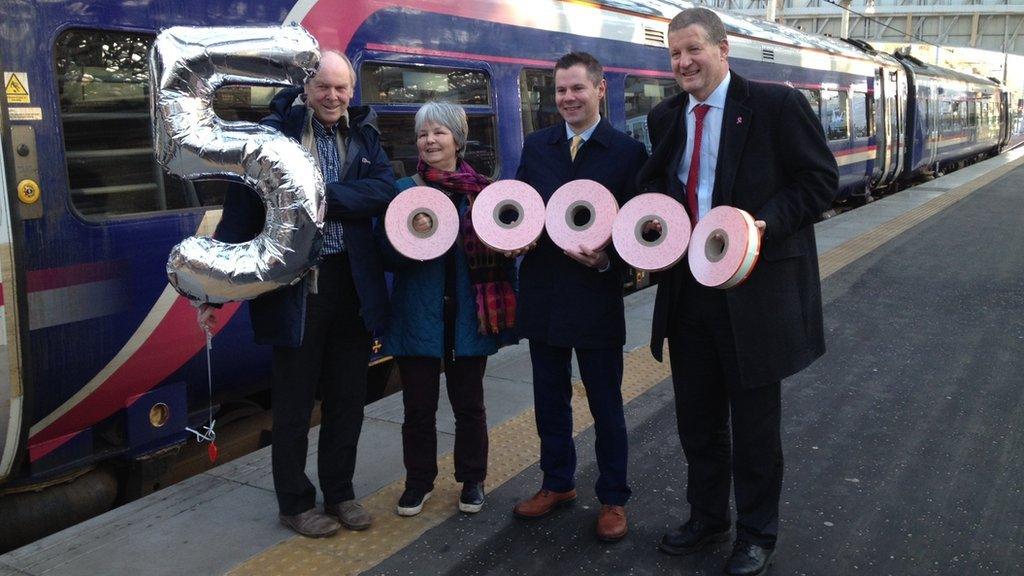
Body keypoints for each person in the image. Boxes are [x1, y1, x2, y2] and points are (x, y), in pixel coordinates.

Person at [636, 7, 838, 575]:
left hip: (753, 289)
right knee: (697, 422)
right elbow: (659, 183)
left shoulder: (774, 105)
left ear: (724, 49)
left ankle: (755, 532)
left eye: (693, 49)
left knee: (754, 427)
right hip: (688, 293)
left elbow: (819, 179)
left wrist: (764, 225)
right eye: (674, 53)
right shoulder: (665, 116)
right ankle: (707, 519)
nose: (683, 62)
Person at [206, 50, 396, 538]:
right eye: (323, 87)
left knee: (347, 398)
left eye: (341, 88)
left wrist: (321, 199)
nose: (333, 97)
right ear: (306, 88)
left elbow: (384, 191)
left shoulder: (365, 135)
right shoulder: (271, 139)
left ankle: (340, 494)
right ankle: (294, 503)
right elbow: (241, 216)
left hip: (351, 284)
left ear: (352, 91)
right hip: (296, 290)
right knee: (292, 403)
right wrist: (213, 289)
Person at [512, 52, 648, 542]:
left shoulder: (627, 153)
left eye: (577, 89)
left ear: (600, 89)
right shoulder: (537, 146)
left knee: (606, 403)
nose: (567, 98)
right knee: (549, 399)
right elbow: (523, 208)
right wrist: (517, 238)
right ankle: (557, 483)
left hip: (595, 294)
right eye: (560, 91)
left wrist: (611, 261)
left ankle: (613, 498)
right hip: (545, 293)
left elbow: (640, 232)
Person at [378, 101, 517, 517]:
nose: (429, 140)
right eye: (423, 134)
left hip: (469, 315)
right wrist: (412, 241)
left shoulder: (486, 193)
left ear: (458, 138)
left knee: (469, 405)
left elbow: (507, 248)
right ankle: (418, 482)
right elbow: (385, 255)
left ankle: (472, 479)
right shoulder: (404, 193)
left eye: (438, 132)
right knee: (417, 408)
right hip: (417, 314)